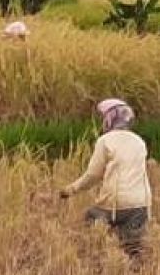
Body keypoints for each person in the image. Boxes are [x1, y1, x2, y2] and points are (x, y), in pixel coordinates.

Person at [59, 98, 152, 260]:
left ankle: (102, 261)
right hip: (141, 204)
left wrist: (70, 190)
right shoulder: (139, 141)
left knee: (92, 217)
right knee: (133, 249)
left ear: (110, 119)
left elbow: (93, 175)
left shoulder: (105, 141)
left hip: (116, 204)